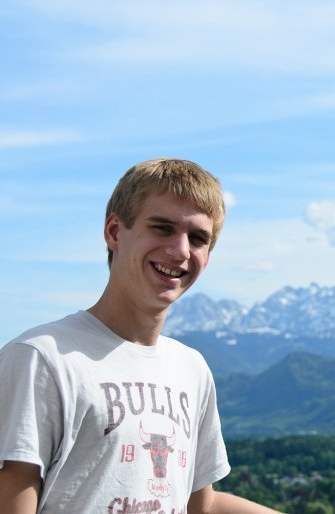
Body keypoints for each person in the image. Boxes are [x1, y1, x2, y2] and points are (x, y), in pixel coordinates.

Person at [0, 158, 284, 514]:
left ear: (208, 256)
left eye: (198, 238)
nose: (181, 251)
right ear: (114, 232)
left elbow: (200, 505)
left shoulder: (191, 368)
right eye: (163, 228)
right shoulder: (41, 358)